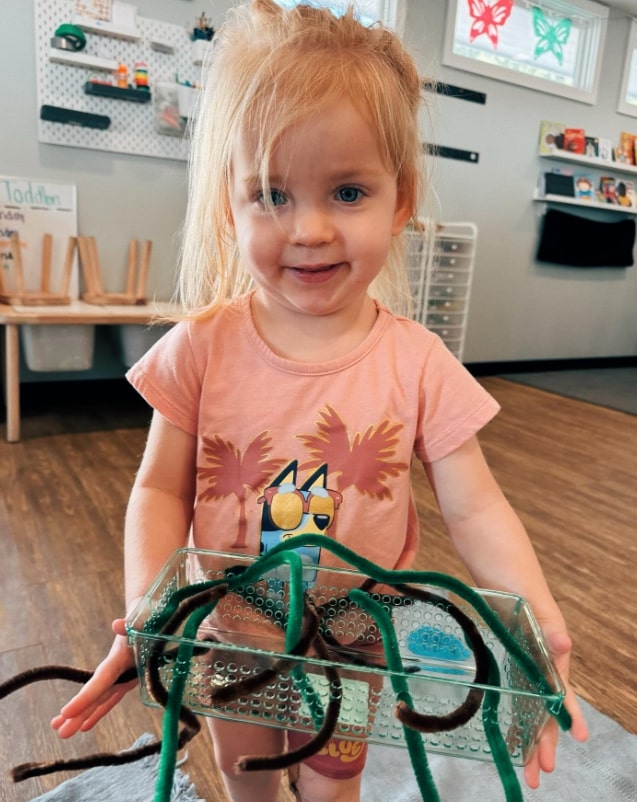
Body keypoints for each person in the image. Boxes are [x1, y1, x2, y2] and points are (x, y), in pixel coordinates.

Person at [51, 1, 588, 800]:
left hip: (353, 642)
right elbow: (158, 487)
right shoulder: (199, 346)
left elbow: (476, 509)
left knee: (334, 785)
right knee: (247, 777)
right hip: (231, 632)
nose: (307, 229)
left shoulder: (419, 362)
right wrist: (149, 609)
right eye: (269, 193)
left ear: (398, 199)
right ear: (228, 208)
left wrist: (534, 619)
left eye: (345, 192)